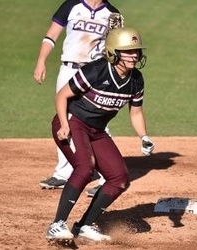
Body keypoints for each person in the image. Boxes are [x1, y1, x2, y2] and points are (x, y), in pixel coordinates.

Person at [45, 27, 155, 243]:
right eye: (129, 51)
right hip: (72, 122)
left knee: (119, 178)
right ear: (114, 51)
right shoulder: (97, 71)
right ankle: (56, 225)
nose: (135, 55)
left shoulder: (136, 80)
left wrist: (144, 137)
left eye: (137, 51)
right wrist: (64, 124)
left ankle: (84, 225)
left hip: (96, 131)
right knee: (85, 167)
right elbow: (62, 96)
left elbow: (136, 112)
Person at [34, 0, 123, 193]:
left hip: (94, 73)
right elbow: (52, 35)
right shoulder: (71, 6)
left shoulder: (112, 14)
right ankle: (63, 173)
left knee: (98, 121)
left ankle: (103, 178)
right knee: (63, 119)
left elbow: (116, 49)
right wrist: (41, 61)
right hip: (68, 69)